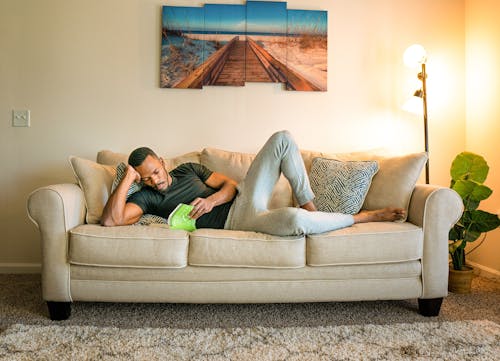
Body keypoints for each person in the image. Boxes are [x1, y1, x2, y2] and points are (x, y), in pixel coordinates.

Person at [101, 130, 405, 236]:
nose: (154, 180)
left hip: (245, 197)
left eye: (155, 171)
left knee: (282, 138)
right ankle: (361, 217)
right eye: (146, 177)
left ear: (162, 162)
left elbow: (231, 184)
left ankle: (311, 207)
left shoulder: (188, 170)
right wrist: (128, 178)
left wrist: (211, 200)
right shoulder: (147, 198)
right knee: (295, 220)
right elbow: (112, 221)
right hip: (240, 222)